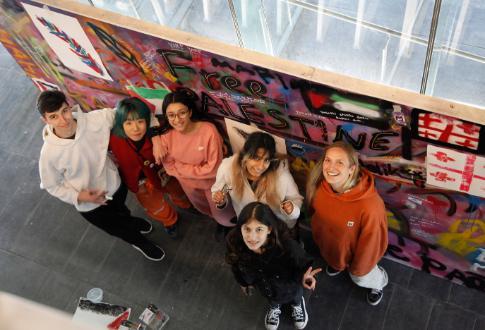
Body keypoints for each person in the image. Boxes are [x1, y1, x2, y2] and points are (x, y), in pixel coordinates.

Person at [37, 90, 165, 261]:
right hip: (91, 205)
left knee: (122, 211)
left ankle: (131, 222)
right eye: (53, 117)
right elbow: (51, 185)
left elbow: (138, 111)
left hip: (114, 185)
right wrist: (79, 196)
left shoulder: (96, 120)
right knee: (117, 228)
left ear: (69, 106)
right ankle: (140, 242)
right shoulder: (49, 154)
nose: (63, 120)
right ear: (44, 120)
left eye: (64, 111)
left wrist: (155, 138)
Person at [306, 141, 388, 306]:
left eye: (340, 162)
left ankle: (378, 284)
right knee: (335, 260)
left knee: (362, 278)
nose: (330, 167)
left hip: (358, 260)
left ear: (352, 169)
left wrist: (359, 270)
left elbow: (371, 244)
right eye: (328, 160)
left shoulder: (370, 206)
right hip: (332, 250)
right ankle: (338, 265)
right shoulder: (321, 188)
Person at [151, 90, 236, 239]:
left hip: (213, 184)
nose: (177, 119)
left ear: (190, 112)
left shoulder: (208, 131)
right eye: (171, 115)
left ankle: (230, 227)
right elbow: (169, 167)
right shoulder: (165, 137)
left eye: (181, 113)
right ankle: (219, 222)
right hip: (189, 186)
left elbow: (213, 169)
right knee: (203, 208)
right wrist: (155, 139)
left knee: (224, 212)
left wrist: (181, 168)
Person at [226, 202, 321, 330]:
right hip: (265, 286)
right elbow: (235, 265)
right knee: (271, 297)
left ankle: (298, 304)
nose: (252, 237)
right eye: (247, 229)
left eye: (259, 229)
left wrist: (303, 277)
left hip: (289, 285)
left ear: (269, 229)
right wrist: (243, 282)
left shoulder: (287, 247)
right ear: (240, 228)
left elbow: (303, 265)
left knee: (295, 296)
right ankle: (275, 305)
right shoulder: (235, 243)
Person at [110, 97, 192, 239]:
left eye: (140, 122)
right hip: (139, 181)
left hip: (163, 173)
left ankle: (186, 204)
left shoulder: (159, 132)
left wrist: (155, 137)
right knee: (155, 205)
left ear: (147, 121)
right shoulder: (113, 139)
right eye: (128, 123)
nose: (135, 129)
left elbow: (150, 107)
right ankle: (169, 220)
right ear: (120, 124)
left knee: (177, 190)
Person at [212, 132, 303, 230]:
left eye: (266, 160)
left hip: (276, 229)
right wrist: (220, 200)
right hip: (248, 228)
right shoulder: (227, 168)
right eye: (256, 158)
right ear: (245, 155)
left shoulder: (282, 175)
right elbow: (218, 191)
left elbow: (296, 198)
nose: (260, 166)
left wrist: (292, 209)